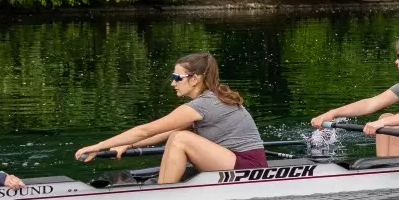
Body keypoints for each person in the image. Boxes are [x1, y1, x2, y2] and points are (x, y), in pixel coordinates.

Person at [75, 52, 267, 183]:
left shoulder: (203, 104)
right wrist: (128, 145)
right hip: (232, 161)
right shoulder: (206, 100)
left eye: (177, 78)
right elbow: (166, 132)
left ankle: (162, 195)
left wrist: (98, 146)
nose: (172, 83)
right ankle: (163, 187)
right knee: (177, 136)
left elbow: (145, 130)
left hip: (250, 168)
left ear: (195, 79)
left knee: (180, 139)